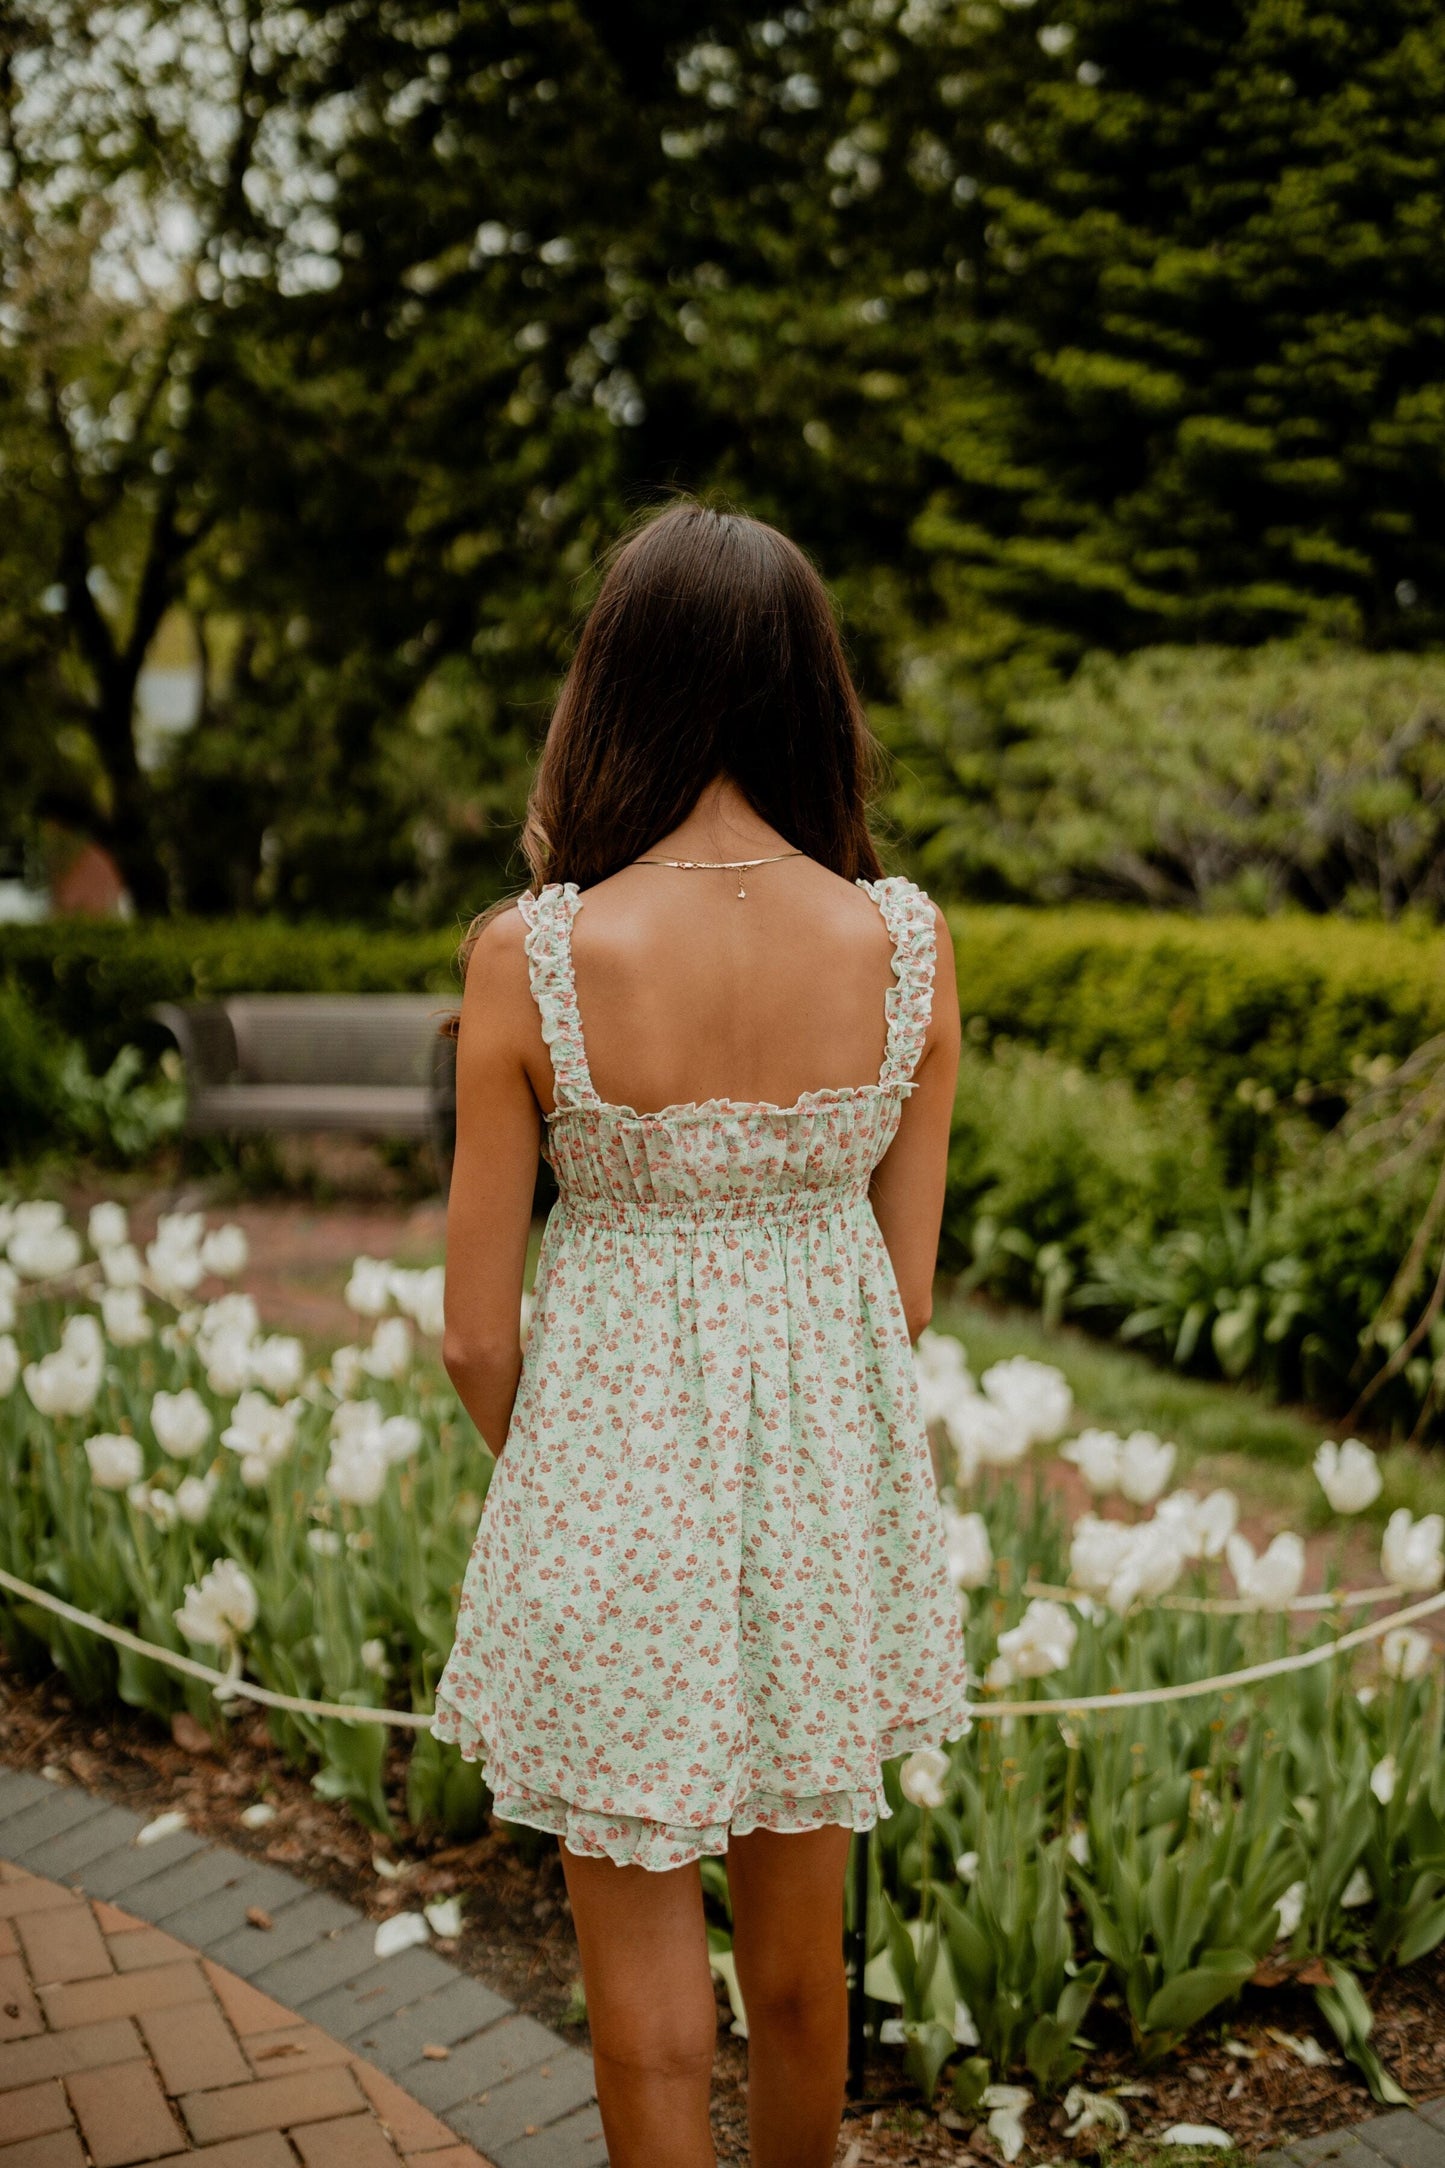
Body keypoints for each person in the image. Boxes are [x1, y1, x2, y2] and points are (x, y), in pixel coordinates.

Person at [434, 498, 972, 2168]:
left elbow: (470, 1334)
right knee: (801, 1981)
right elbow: (904, 1294)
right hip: (818, 1509)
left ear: (615, 690)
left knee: (648, 2021)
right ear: (814, 692)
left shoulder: (533, 957)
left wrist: (581, 1489)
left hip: (605, 1503)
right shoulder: (905, 947)